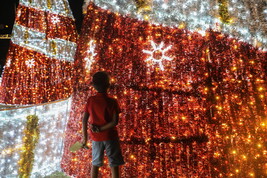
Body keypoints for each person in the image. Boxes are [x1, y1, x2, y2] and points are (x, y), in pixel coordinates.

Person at [82, 71, 125, 178]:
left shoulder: (90, 100)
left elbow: (84, 120)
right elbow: (115, 122)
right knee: (114, 163)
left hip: (96, 138)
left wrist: (85, 139)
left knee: (95, 163)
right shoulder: (112, 101)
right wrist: (101, 128)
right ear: (109, 85)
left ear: (93, 85)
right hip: (111, 137)